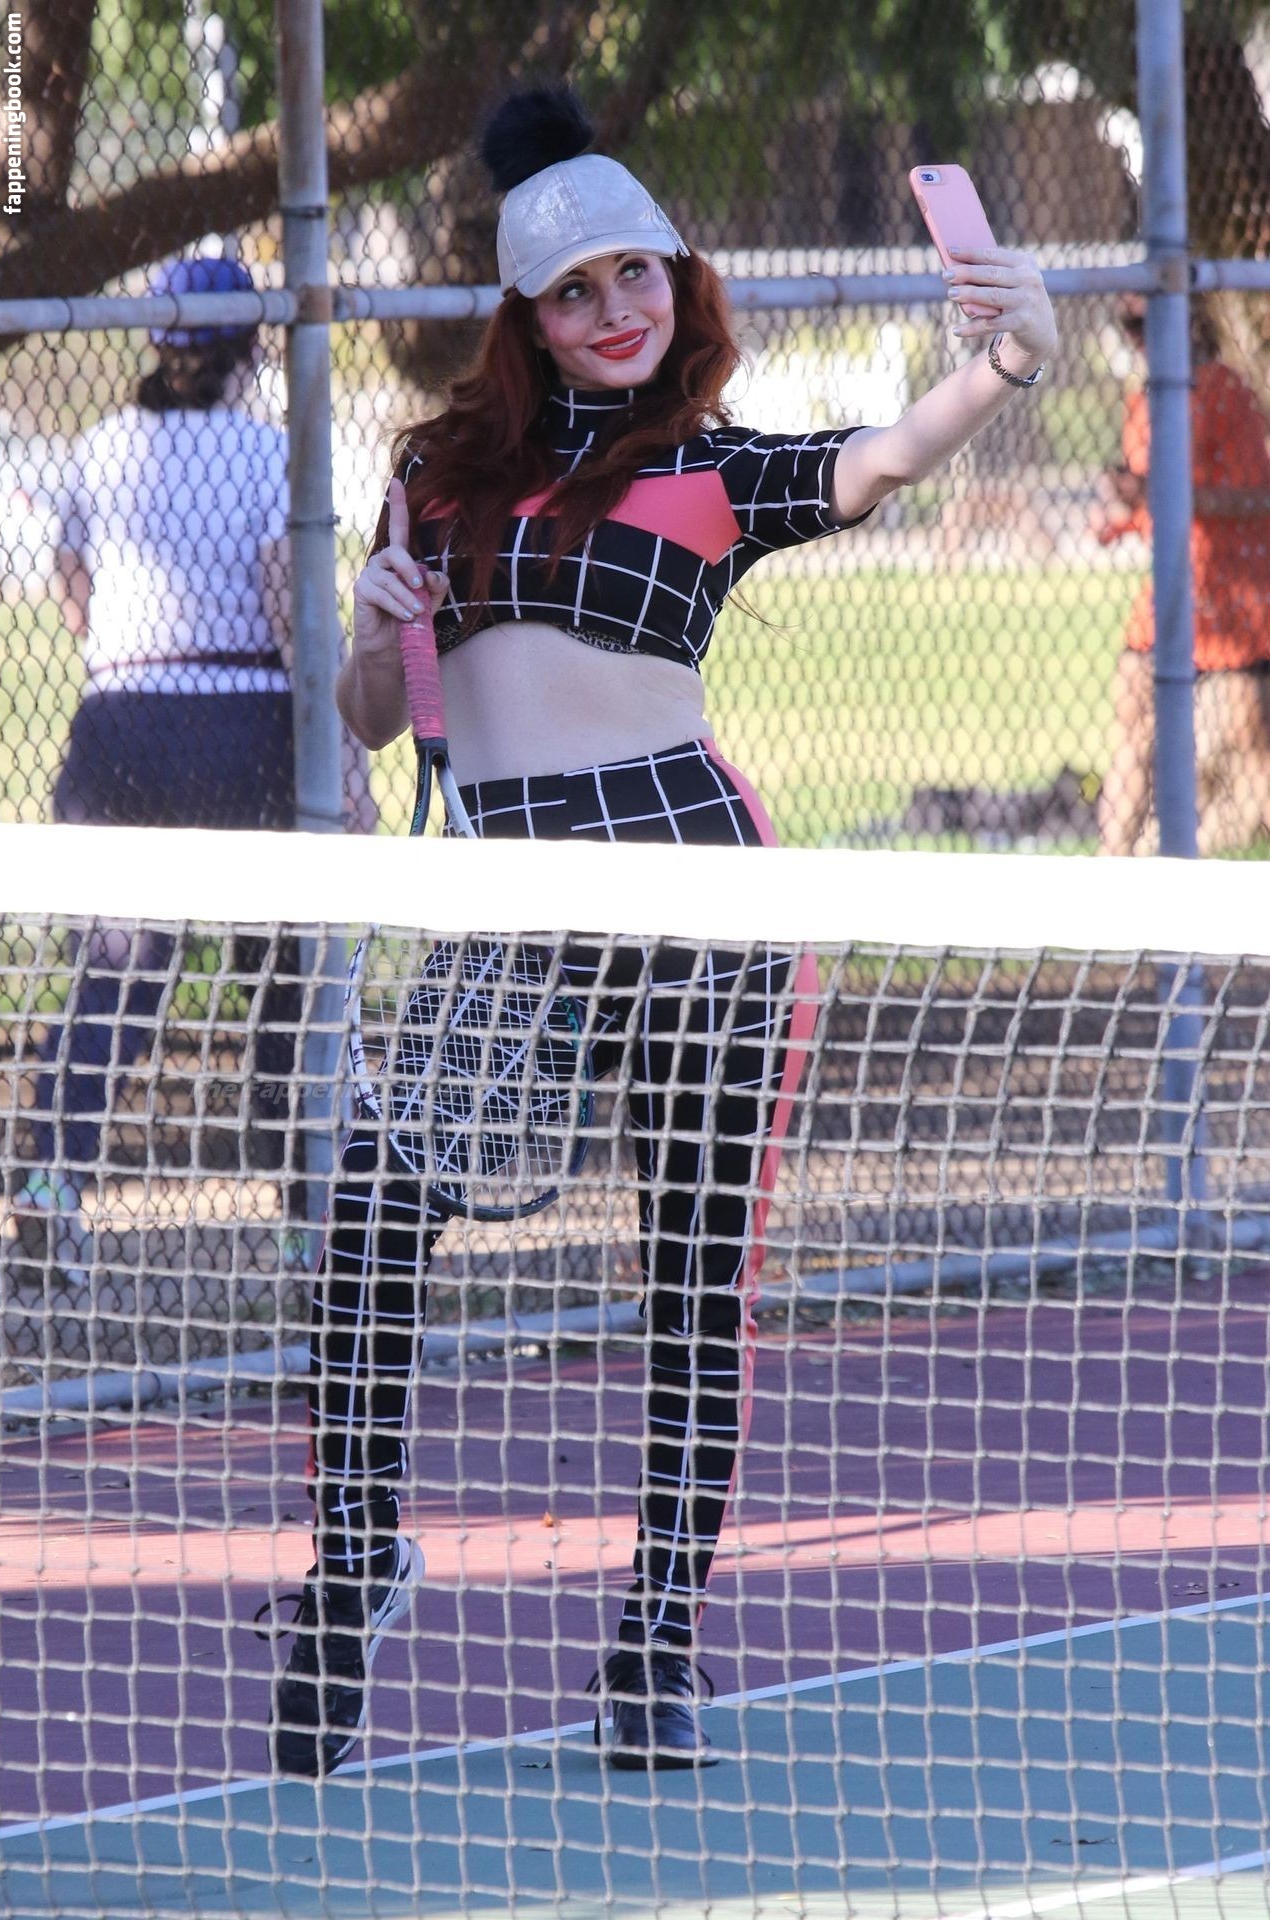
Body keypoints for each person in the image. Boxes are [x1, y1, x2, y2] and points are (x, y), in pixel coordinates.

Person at [268, 86, 1057, 1778]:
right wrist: (379, 629)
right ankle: (357, 1559)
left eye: (637, 274)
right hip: (508, 909)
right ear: (527, 318)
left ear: (675, 281)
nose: (616, 309)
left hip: (706, 902)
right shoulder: (431, 479)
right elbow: (377, 717)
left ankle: (657, 1641)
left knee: (696, 1276)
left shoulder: (710, 466)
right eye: (577, 291)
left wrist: (1007, 359)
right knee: (375, 1219)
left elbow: (880, 458)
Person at [11, 255, 372, 1287]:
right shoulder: (268, 452)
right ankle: (302, 1214)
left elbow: (75, 594)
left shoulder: (101, 446)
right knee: (283, 972)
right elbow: (292, 615)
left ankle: (50, 1185)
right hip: (242, 725)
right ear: (253, 348)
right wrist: (347, 762)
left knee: (117, 973)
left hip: (119, 723)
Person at [1095, 293, 1270, 855]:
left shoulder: (1225, 391)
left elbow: (1255, 498)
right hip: (1171, 592)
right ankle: (1109, 866)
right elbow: (1145, 501)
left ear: (1186, 322)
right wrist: (1119, 512)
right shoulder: (1143, 400)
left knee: (1250, 746)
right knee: (1131, 727)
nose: (1135, 338)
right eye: (1127, 325)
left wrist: (1164, 494)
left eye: (1142, 323)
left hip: (1231, 597)